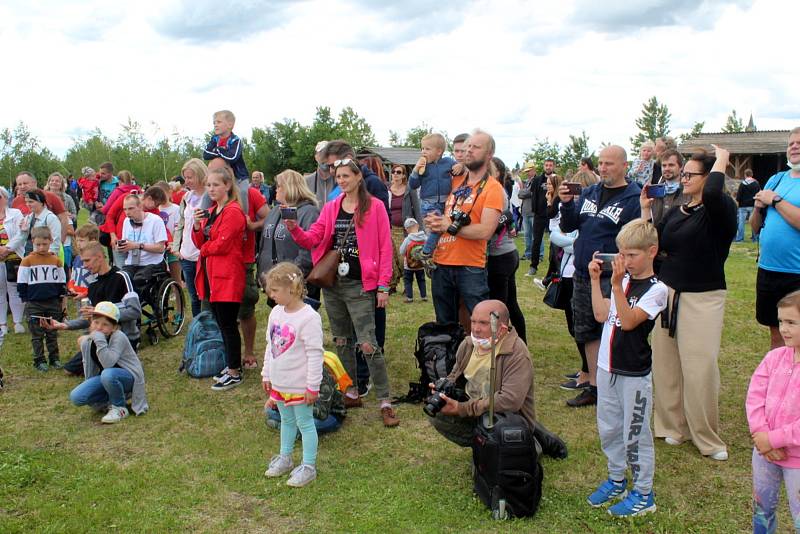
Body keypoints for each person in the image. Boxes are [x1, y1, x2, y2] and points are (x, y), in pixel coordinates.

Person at [286, 159, 399, 427]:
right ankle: (351, 391)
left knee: (368, 342)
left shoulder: (376, 207)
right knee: (341, 341)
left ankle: (384, 399)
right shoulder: (331, 207)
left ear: (359, 177)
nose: (341, 181)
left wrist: (383, 285)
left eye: (346, 176)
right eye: (338, 177)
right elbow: (314, 238)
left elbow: (385, 248)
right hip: (333, 284)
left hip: (361, 284)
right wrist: (295, 229)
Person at [641, 145, 736, 461]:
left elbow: (712, 194)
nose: (683, 179)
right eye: (682, 174)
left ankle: (707, 437)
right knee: (666, 365)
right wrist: (645, 211)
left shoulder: (719, 212)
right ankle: (673, 426)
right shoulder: (677, 210)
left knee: (699, 368)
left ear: (709, 178)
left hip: (702, 298)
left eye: (690, 174)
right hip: (668, 293)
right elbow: (655, 242)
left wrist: (722, 158)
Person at [585, 220, 667, 517]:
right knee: (608, 428)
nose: (625, 261)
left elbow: (630, 321)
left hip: (633, 372)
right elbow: (600, 314)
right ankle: (617, 479)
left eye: (632, 255)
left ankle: (644, 492)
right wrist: (597, 282)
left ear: (651, 252)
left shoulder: (657, 289)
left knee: (635, 433)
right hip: (606, 368)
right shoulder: (624, 281)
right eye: (621, 254)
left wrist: (617, 285)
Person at [558, 145, 642, 407]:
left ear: (624, 166)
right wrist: (567, 204)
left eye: (610, 164)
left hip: (613, 276)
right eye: (601, 163)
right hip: (584, 272)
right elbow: (569, 225)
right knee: (586, 330)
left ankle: (614, 385)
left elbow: (636, 237)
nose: (603, 168)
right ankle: (595, 386)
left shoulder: (633, 197)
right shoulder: (591, 192)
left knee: (612, 329)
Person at [428, 300, 566, 457]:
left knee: (508, 460)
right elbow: (454, 375)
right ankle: (484, 443)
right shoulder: (467, 345)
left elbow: (509, 401)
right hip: (478, 408)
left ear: (501, 329)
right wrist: (443, 388)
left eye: (483, 323)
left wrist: (463, 408)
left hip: (505, 415)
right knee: (439, 413)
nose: (475, 329)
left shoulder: (517, 353)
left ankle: (531, 442)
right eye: (473, 321)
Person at [425, 130, 504, 325]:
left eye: (475, 147)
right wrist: (434, 222)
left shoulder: (492, 188)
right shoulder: (455, 180)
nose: (469, 151)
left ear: (489, 154)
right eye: (468, 146)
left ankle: (484, 356)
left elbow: (486, 231)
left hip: (470, 266)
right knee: (444, 324)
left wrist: (449, 226)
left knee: (481, 321)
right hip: (441, 262)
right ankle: (450, 356)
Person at [261, 262, 324, 487]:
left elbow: (316, 355)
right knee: (287, 421)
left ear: (292, 288)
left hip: (299, 385)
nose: (271, 295)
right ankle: (285, 458)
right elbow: (271, 345)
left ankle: (308, 466)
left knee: (305, 423)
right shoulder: (276, 313)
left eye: (275, 290)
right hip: (280, 382)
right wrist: (266, 374)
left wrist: (312, 387)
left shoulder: (308, 318)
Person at [746, 290, 800, 534]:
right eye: (781, 322)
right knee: (762, 508)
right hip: (764, 453)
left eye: (791, 322)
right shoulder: (773, 358)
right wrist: (762, 436)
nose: (784, 329)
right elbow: (754, 397)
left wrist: (774, 438)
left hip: (797, 461)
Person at [46, 241, 141, 376]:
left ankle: (119, 361)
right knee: (69, 370)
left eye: (87, 261)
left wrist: (101, 311)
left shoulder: (121, 277)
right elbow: (90, 319)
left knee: (97, 360)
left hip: (122, 337)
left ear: (100, 257)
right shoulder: (93, 286)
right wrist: (64, 325)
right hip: (101, 337)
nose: (85, 266)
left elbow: (134, 311)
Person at [192, 165, 247, 391]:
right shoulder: (214, 210)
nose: (211, 189)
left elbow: (222, 244)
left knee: (228, 324)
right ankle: (231, 364)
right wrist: (196, 226)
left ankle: (234, 371)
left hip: (227, 276)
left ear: (227, 185)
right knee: (222, 323)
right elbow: (200, 242)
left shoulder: (233, 211)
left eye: (216, 185)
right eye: (208, 185)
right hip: (212, 275)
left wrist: (205, 248)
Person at [751, 128, 800, 349]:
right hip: (769, 269)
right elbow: (755, 226)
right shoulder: (776, 179)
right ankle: (780, 381)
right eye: (791, 144)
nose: (794, 147)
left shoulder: (775, 192)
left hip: (796, 272)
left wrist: (776, 200)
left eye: (799, 143)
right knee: (778, 333)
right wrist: (757, 208)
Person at [550, 170, 599, 391]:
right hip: (568, 271)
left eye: (578, 188)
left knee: (583, 327)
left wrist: (568, 241)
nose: (574, 193)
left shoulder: (590, 210)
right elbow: (556, 233)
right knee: (575, 326)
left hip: (579, 271)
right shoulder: (571, 208)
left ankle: (589, 373)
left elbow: (572, 241)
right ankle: (586, 369)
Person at [67, 301, 147, 424]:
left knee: (108, 373)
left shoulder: (118, 337)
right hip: (106, 378)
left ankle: (119, 407)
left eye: (105, 324)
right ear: (91, 322)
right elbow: (89, 365)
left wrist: (99, 340)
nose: (99, 327)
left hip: (128, 377)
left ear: (114, 327)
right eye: (96, 322)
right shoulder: (88, 342)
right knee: (76, 397)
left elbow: (108, 363)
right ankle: (110, 401)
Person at [257, 170, 319, 294]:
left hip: (295, 285)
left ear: (290, 187)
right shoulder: (275, 211)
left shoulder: (309, 212)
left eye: (279, 186)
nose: (275, 189)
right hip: (273, 281)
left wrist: (289, 276)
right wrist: (262, 272)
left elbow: (309, 252)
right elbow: (265, 245)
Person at [486, 157, 526, 343]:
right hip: (507, 253)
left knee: (499, 306)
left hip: (500, 255)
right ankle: (521, 343)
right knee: (510, 303)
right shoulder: (497, 190)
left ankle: (501, 345)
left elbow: (493, 225)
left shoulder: (496, 191)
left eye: (489, 169)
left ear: (498, 173)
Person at [17, 227, 66, 371]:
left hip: (52, 302)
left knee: (52, 332)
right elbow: (21, 283)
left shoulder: (56, 260)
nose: (41, 247)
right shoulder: (27, 261)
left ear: (50, 242)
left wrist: (60, 299)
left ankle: (54, 358)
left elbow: (61, 282)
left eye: (45, 244)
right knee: (37, 334)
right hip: (34, 303)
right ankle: (39, 360)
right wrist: (26, 300)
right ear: (33, 242)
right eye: (38, 244)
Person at [266, 350, 349, 435]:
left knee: (311, 424)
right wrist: (277, 402)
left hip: (330, 414)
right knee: (270, 411)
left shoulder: (322, 378)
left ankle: (286, 427)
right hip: (302, 410)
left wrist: (293, 406)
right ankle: (291, 425)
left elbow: (322, 414)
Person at [408, 133, 456, 263]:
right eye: (422, 149)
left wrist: (460, 166)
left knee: (444, 232)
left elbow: (459, 170)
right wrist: (416, 170)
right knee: (436, 227)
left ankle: (435, 258)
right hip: (429, 204)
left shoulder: (448, 162)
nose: (423, 152)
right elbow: (412, 185)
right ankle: (426, 251)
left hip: (446, 203)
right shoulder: (423, 166)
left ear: (439, 151)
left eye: (427, 149)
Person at [172, 158, 208, 317]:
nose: (186, 181)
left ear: (201, 175)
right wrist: (176, 246)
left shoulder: (210, 195)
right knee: (194, 296)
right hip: (186, 254)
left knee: (207, 295)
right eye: (185, 177)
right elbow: (182, 222)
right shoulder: (187, 197)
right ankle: (198, 328)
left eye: (190, 177)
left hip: (203, 253)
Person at [202, 109, 250, 213]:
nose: (215, 125)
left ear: (230, 124)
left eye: (219, 122)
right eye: (214, 123)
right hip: (221, 176)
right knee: (206, 195)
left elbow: (232, 157)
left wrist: (217, 150)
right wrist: (222, 151)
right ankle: (203, 217)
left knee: (242, 192)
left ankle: (244, 216)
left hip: (239, 176)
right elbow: (205, 154)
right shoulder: (215, 139)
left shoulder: (235, 140)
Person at [118, 194, 168, 286]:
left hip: (151, 263)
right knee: (119, 279)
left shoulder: (155, 221)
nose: (127, 212)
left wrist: (138, 246)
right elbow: (126, 243)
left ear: (140, 206)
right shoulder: (126, 222)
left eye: (131, 208)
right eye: (125, 209)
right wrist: (122, 247)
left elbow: (161, 248)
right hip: (132, 262)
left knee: (138, 280)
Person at [12, 171, 69, 244]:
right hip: (23, 246)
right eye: (19, 184)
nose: (22, 186)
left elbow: (63, 219)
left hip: (47, 245)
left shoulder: (51, 197)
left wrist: (61, 241)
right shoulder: (16, 201)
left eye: (25, 183)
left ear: (35, 183)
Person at [0, 186, 25, 335]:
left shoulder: (15, 214)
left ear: (5, 198)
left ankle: (18, 322)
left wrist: (7, 248)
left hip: (13, 257)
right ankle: (2, 323)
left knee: (14, 289)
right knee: (0, 291)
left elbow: (22, 234)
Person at [525, 158, 555, 276]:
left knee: (555, 242)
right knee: (536, 240)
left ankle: (554, 268)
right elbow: (534, 196)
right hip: (539, 215)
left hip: (553, 214)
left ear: (553, 166)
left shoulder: (557, 179)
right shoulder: (537, 180)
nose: (548, 167)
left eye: (550, 165)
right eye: (546, 165)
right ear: (544, 166)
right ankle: (533, 266)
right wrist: (535, 211)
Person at [45, 172, 77, 277]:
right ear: (48, 182)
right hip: (46, 234)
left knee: (64, 265)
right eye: (52, 180)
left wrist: (68, 216)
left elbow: (74, 213)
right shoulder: (42, 196)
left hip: (65, 233)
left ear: (61, 183)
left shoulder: (67, 197)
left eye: (57, 181)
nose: (54, 183)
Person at [646, 149, 688, 226]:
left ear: (681, 167)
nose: (667, 168)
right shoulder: (653, 191)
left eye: (671, 165)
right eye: (664, 165)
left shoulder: (689, 191)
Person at [14, 189, 63, 256]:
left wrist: (48, 259)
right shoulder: (28, 218)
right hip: (28, 256)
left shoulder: (51, 218)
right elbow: (22, 238)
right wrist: (23, 231)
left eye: (31, 202)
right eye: (26, 202)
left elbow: (55, 242)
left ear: (41, 202)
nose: (28, 204)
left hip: (44, 259)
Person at [399, 218, 427, 303]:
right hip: (421, 264)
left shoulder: (408, 239)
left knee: (408, 281)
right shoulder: (424, 237)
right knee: (421, 280)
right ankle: (424, 296)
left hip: (408, 265)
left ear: (407, 229)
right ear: (418, 226)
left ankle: (410, 298)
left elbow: (401, 251)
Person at [305, 140, 335, 207]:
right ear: (315, 157)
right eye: (321, 154)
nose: (325, 157)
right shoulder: (306, 181)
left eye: (328, 154)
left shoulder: (339, 180)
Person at [517, 161, 537, 261]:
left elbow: (528, 192)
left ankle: (539, 254)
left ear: (534, 170)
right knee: (527, 234)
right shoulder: (527, 181)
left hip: (533, 211)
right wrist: (523, 192)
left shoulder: (536, 181)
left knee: (536, 235)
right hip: (525, 211)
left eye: (529, 171)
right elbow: (520, 194)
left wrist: (523, 191)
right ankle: (528, 253)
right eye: (526, 171)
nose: (527, 173)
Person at [735, 169, 761, 242]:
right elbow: (759, 194)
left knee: (741, 223)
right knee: (753, 222)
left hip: (743, 206)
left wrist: (737, 204)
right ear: (752, 175)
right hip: (753, 205)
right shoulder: (756, 183)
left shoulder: (742, 184)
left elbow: (739, 196)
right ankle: (755, 238)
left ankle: (740, 239)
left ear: (745, 175)